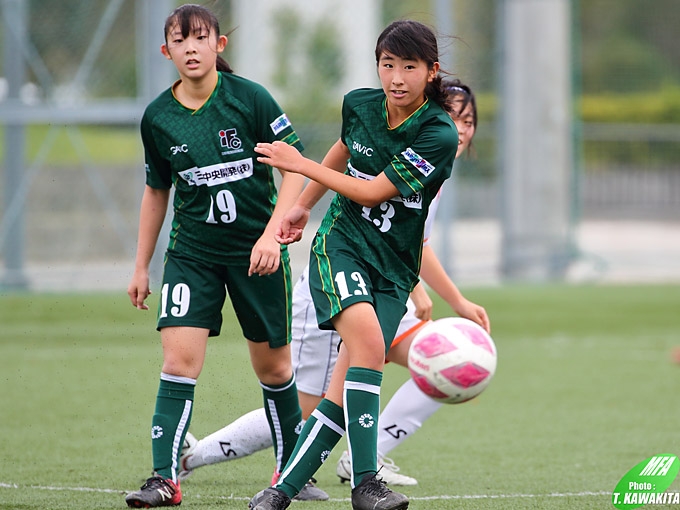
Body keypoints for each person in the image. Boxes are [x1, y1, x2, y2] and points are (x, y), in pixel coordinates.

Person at [177, 80, 486, 489]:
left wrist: (431, 294)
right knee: (308, 411)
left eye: (468, 121)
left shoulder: (434, 161)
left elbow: (410, 240)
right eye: (452, 117)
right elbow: (368, 200)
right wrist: (451, 299)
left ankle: (368, 455)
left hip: (382, 286)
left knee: (446, 362)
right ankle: (194, 456)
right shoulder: (394, 141)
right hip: (336, 284)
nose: (459, 129)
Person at [248, 19, 460, 510]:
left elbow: (371, 190)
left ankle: (279, 492)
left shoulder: (438, 134)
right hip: (341, 244)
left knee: (346, 387)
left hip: (393, 266)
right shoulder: (361, 104)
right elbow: (344, 151)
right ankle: (367, 483)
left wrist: (298, 164)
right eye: (388, 64)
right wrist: (303, 203)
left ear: (431, 72)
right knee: (366, 344)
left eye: (410, 66)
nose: (397, 77)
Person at [123, 5, 305, 508]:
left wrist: (272, 236)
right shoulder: (158, 117)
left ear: (219, 45)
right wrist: (142, 265)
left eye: (200, 38)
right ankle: (164, 478)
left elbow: (295, 168)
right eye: (180, 41)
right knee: (178, 361)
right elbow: (156, 190)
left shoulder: (250, 99)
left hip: (257, 255)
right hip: (193, 254)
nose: (191, 48)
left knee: (274, 369)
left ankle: (291, 473)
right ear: (167, 52)